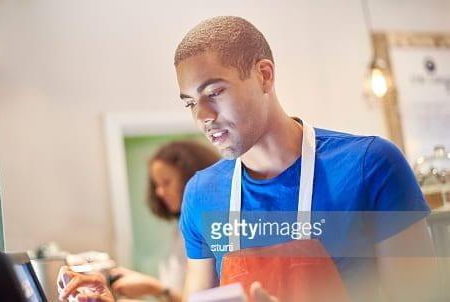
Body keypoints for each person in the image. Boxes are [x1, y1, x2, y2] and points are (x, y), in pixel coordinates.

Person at [58, 16, 440, 302]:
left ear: (264, 76)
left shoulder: (371, 166)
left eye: (214, 92)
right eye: (191, 102)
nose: (202, 116)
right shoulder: (202, 193)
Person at [108, 141, 219, 301]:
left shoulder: (212, 228)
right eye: (157, 185)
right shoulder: (181, 227)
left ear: (191, 179)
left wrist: (155, 288)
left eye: (166, 182)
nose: (159, 192)